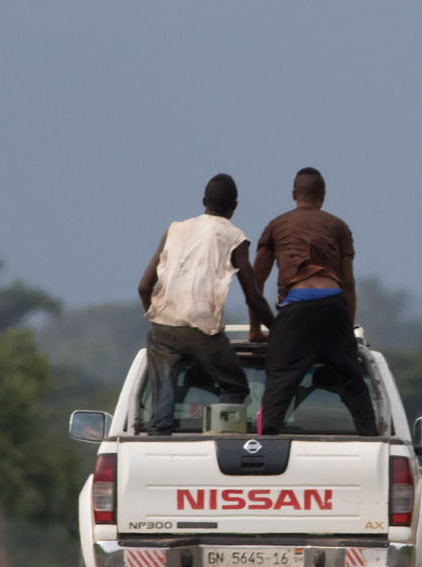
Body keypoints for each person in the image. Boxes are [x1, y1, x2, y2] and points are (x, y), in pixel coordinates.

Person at [138, 173, 276, 435]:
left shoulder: (174, 229)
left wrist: (156, 314)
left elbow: (144, 286)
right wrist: (277, 328)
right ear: (234, 207)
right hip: (202, 327)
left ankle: (159, 438)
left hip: (164, 326)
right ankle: (218, 436)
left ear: (204, 201)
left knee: (163, 393)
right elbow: (253, 295)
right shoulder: (234, 236)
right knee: (235, 385)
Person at [249, 167, 378, 436]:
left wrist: (255, 329)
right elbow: (349, 283)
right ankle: (370, 437)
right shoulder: (338, 226)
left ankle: (266, 443)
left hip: (296, 308)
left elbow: (255, 282)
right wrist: (347, 330)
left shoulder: (276, 225)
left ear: (294, 194)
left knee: (280, 380)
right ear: (323, 196)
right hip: (333, 305)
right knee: (353, 380)